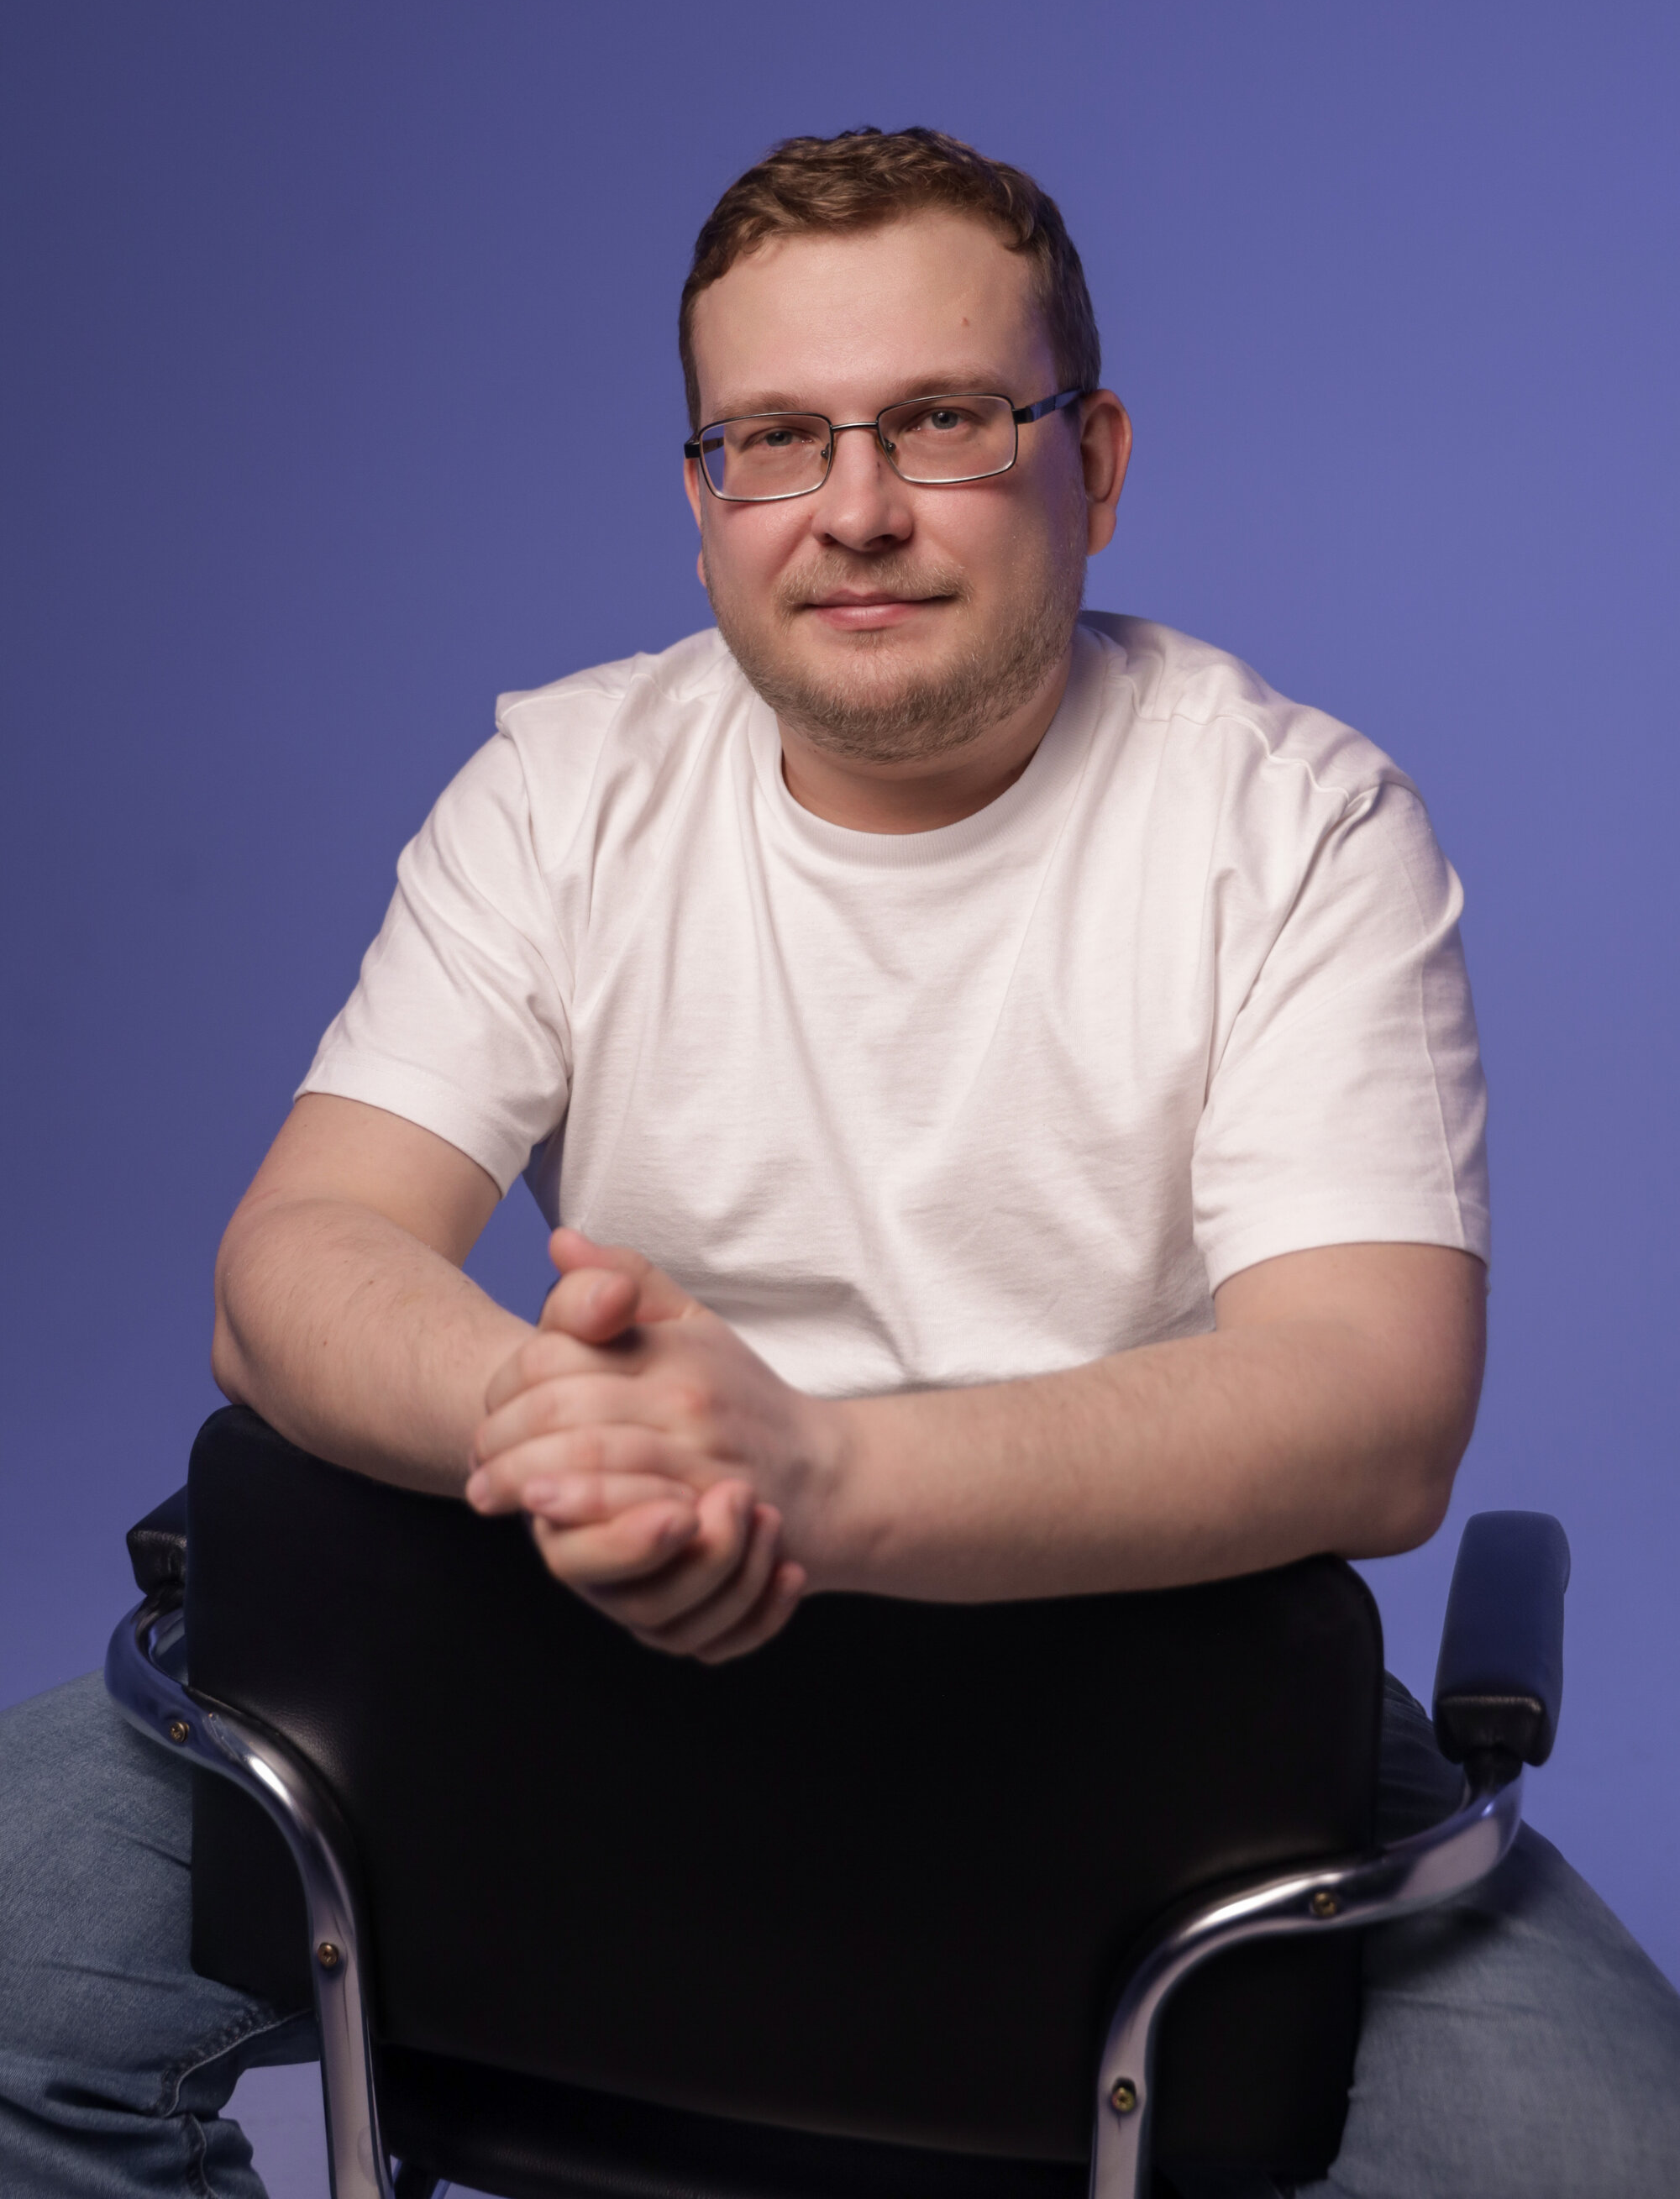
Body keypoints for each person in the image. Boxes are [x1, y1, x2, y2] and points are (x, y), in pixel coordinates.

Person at [2, 127, 1676, 2196]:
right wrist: (567, 1434)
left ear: (1095, 463)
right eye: (775, 440)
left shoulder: (1296, 825)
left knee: (1599, 2152)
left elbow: (1372, 1411)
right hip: (570, 1646)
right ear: (703, 501)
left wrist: (817, 1478)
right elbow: (294, 1265)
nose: (854, 510)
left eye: (943, 422)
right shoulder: (563, 786)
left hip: (1136, 1720)